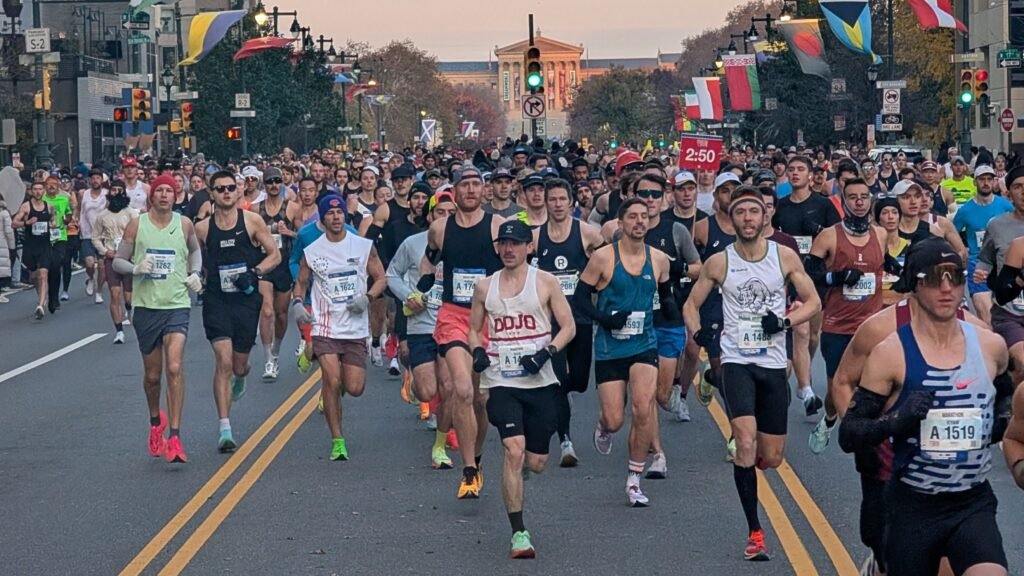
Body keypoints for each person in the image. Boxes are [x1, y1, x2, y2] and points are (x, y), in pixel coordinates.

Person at [839, 244, 1009, 576]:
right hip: (912, 505)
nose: (946, 288)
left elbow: (1005, 403)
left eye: (955, 277)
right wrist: (896, 421)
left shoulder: (991, 346)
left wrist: (995, 427)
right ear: (914, 285)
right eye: (933, 278)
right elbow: (850, 433)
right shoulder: (890, 353)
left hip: (971, 502)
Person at [684, 185, 820, 561]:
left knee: (772, 457)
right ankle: (755, 532)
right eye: (741, 212)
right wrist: (698, 333)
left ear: (765, 218)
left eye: (754, 212)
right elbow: (691, 305)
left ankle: (752, 461)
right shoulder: (720, 262)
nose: (747, 218)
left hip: (773, 363)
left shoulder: (783, 256)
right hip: (736, 361)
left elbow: (813, 301)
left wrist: (786, 321)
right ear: (732, 219)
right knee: (744, 442)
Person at [468, 219, 576, 559]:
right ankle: (519, 533)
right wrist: (478, 352)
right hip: (501, 380)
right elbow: (473, 329)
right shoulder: (484, 287)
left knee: (537, 462)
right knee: (513, 450)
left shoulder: (545, 282)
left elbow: (568, 326)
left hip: (540, 381)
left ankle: (521, 472)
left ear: (529, 247)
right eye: (503, 243)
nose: (508, 249)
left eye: (515, 243)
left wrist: (546, 353)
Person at [573, 197, 678, 507]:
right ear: (620, 223)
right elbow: (580, 299)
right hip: (610, 347)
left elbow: (666, 296)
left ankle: (634, 479)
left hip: (644, 344)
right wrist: (605, 319)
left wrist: (675, 315)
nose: (640, 221)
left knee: (643, 408)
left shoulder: (658, 259)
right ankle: (604, 426)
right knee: (615, 419)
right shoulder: (603, 258)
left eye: (644, 216)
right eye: (633, 216)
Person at [422, 165, 505, 499]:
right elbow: (428, 260)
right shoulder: (440, 229)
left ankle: (478, 457)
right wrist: (424, 282)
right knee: (462, 390)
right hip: (454, 316)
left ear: (484, 190)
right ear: (454, 192)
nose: (471, 190)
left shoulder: (497, 227)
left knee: (482, 400)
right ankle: (468, 469)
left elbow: (515, 266)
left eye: (476, 184)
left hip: (490, 318)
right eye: (465, 185)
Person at [112, 173, 204, 463]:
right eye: (159, 190)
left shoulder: (184, 224)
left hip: (177, 304)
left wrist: (195, 273)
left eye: (169, 190)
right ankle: (156, 423)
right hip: (146, 307)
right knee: (153, 376)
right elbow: (117, 261)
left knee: (174, 367)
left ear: (176, 196)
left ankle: (175, 437)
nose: (164, 195)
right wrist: (136, 268)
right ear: (151, 196)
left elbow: (195, 251)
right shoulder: (137, 225)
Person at [292, 194, 385, 461]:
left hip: (354, 327)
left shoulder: (363, 246)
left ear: (345, 215)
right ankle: (338, 440)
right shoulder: (313, 251)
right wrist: (298, 303)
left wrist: (367, 298)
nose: (335, 217)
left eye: (340, 212)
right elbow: (301, 282)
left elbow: (381, 278)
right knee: (331, 380)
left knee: (354, 388)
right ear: (322, 218)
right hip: (325, 325)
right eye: (330, 213)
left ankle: (315, 358)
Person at [195, 170, 281, 452]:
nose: (226, 193)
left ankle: (241, 376)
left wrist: (254, 272)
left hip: (245, 299)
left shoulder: (252, 221)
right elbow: (192, 259)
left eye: (231, 188)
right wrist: (195, 277)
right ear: (212, 193)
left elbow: (275, 254)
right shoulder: (203, 229)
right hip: (216, 300)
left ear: (238, 191)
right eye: (220, 189)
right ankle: (225, 428)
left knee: (238, 365)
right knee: (223, 361)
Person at [805, 179, 888, 454]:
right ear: (843, 201)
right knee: (836, 387)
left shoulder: (881, 235)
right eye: (853, 197)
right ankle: (829, 420)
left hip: (872, 326)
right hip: (838, 325)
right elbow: (810, 274)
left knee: (875, 385)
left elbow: (885, 266)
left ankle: (866, 439)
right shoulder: (829, 236)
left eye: (864, 196)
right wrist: (836, 277)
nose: (859, 202)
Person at [532, 178, 605, 467]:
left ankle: (563, 394)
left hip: (580, 318)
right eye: (552, 199)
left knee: (580, 382)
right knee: (558, 381)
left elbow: (608, 261)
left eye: (562, 199)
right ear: (545, 203)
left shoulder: (586, 233)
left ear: (571, 202)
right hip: (549, 322)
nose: (558, 204)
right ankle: (566, 441)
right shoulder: (536, 237)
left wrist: (599, 288)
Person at [387, 190, 458, 469]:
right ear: (429, 216)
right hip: (421, 324)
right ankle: (414, 378)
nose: (445, 218)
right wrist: (408, 296)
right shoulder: (412, 244)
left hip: (453, 324)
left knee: (449, 386)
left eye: (451, 213)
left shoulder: (466, 242)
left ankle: (439, 446)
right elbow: (392, 274)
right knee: (427, 391)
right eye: (440, 212)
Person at [953, 165, 1012, 327]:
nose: (986, 183)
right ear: (974, 182)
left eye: (989, 179)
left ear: (994, 182)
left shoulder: (1006, 206)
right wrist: (960, 252)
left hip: (1005, 264)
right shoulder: (965, 211)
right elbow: (952, 234)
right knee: (986, 316)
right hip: (978, 265)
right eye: (982, 179)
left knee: (1009, 314)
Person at [253, 166, 295, 381]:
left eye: (277, 181)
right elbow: (250, 237)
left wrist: (289, 232)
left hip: (284, 264)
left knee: (281, 314)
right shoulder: (255, 210)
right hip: (265, 263)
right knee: (267, 311)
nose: (274, 185)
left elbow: (303, 235)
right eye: (270, 181)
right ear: (264, 184)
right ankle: (268, 358)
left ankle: (276, 350)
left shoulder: (292, 208)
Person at [92, 180, 138, 343]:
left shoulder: (131, 213)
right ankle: (119, 331)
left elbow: (140, 234)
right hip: (111, 258)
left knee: (128, 297)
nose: (116, 193)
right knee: (114, 293)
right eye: (114, 190)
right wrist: (105, 251)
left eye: (120, 190)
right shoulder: (102, 216)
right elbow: (95, 237)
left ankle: (129, 310)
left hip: (128, 258)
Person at [11, 181, 53, 318]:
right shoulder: (26, 206)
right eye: (35, 189)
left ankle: (40, 305)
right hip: (30, 246)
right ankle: (41, 295)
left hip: (45, 245)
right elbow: (14, 223)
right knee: (34, 276)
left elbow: (53, 220)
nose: (38, 192)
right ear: (31, 191)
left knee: (43, 274)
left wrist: (54, 225)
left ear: (44, 191)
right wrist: (27, 222)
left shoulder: (49, 206)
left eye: (40, 189)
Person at [42, 176, 75, 312]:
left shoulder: (63, 199)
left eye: (54, 185)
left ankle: (54, 298)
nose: (51, 187)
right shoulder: (41, 200)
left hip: (60, 236)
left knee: (56, 266)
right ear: (45, 186)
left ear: (58, 187)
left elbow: (68, 214)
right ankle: (48, 296)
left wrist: (67, 219)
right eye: (49, 184)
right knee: (46, 269)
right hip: (44, 237)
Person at [80, 168, 108, 304]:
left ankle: (99, 291)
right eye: (93, 178)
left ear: (102, 180)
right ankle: (90, 278)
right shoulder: (84, 194)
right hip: (87, 233)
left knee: (102, 266)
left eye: (98, 178)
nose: (95, 180)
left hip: (103, 235)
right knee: (90, 263)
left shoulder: (107, 194)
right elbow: (79, 209)